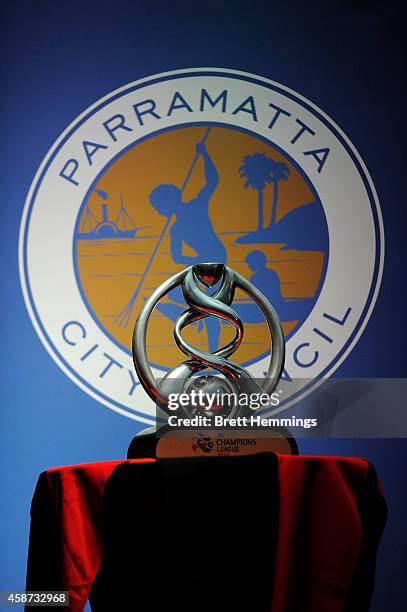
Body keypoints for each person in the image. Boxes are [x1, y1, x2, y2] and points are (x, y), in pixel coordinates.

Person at [149, 141, 226, 265]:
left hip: (219, 259)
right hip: (204, 263)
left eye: (158, 206)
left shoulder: (197, 206)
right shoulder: (175, 229)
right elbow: (177, 257)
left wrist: (205, 155)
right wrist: (197, 261)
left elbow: (212, 181)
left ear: (168, 203)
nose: (158, 211)